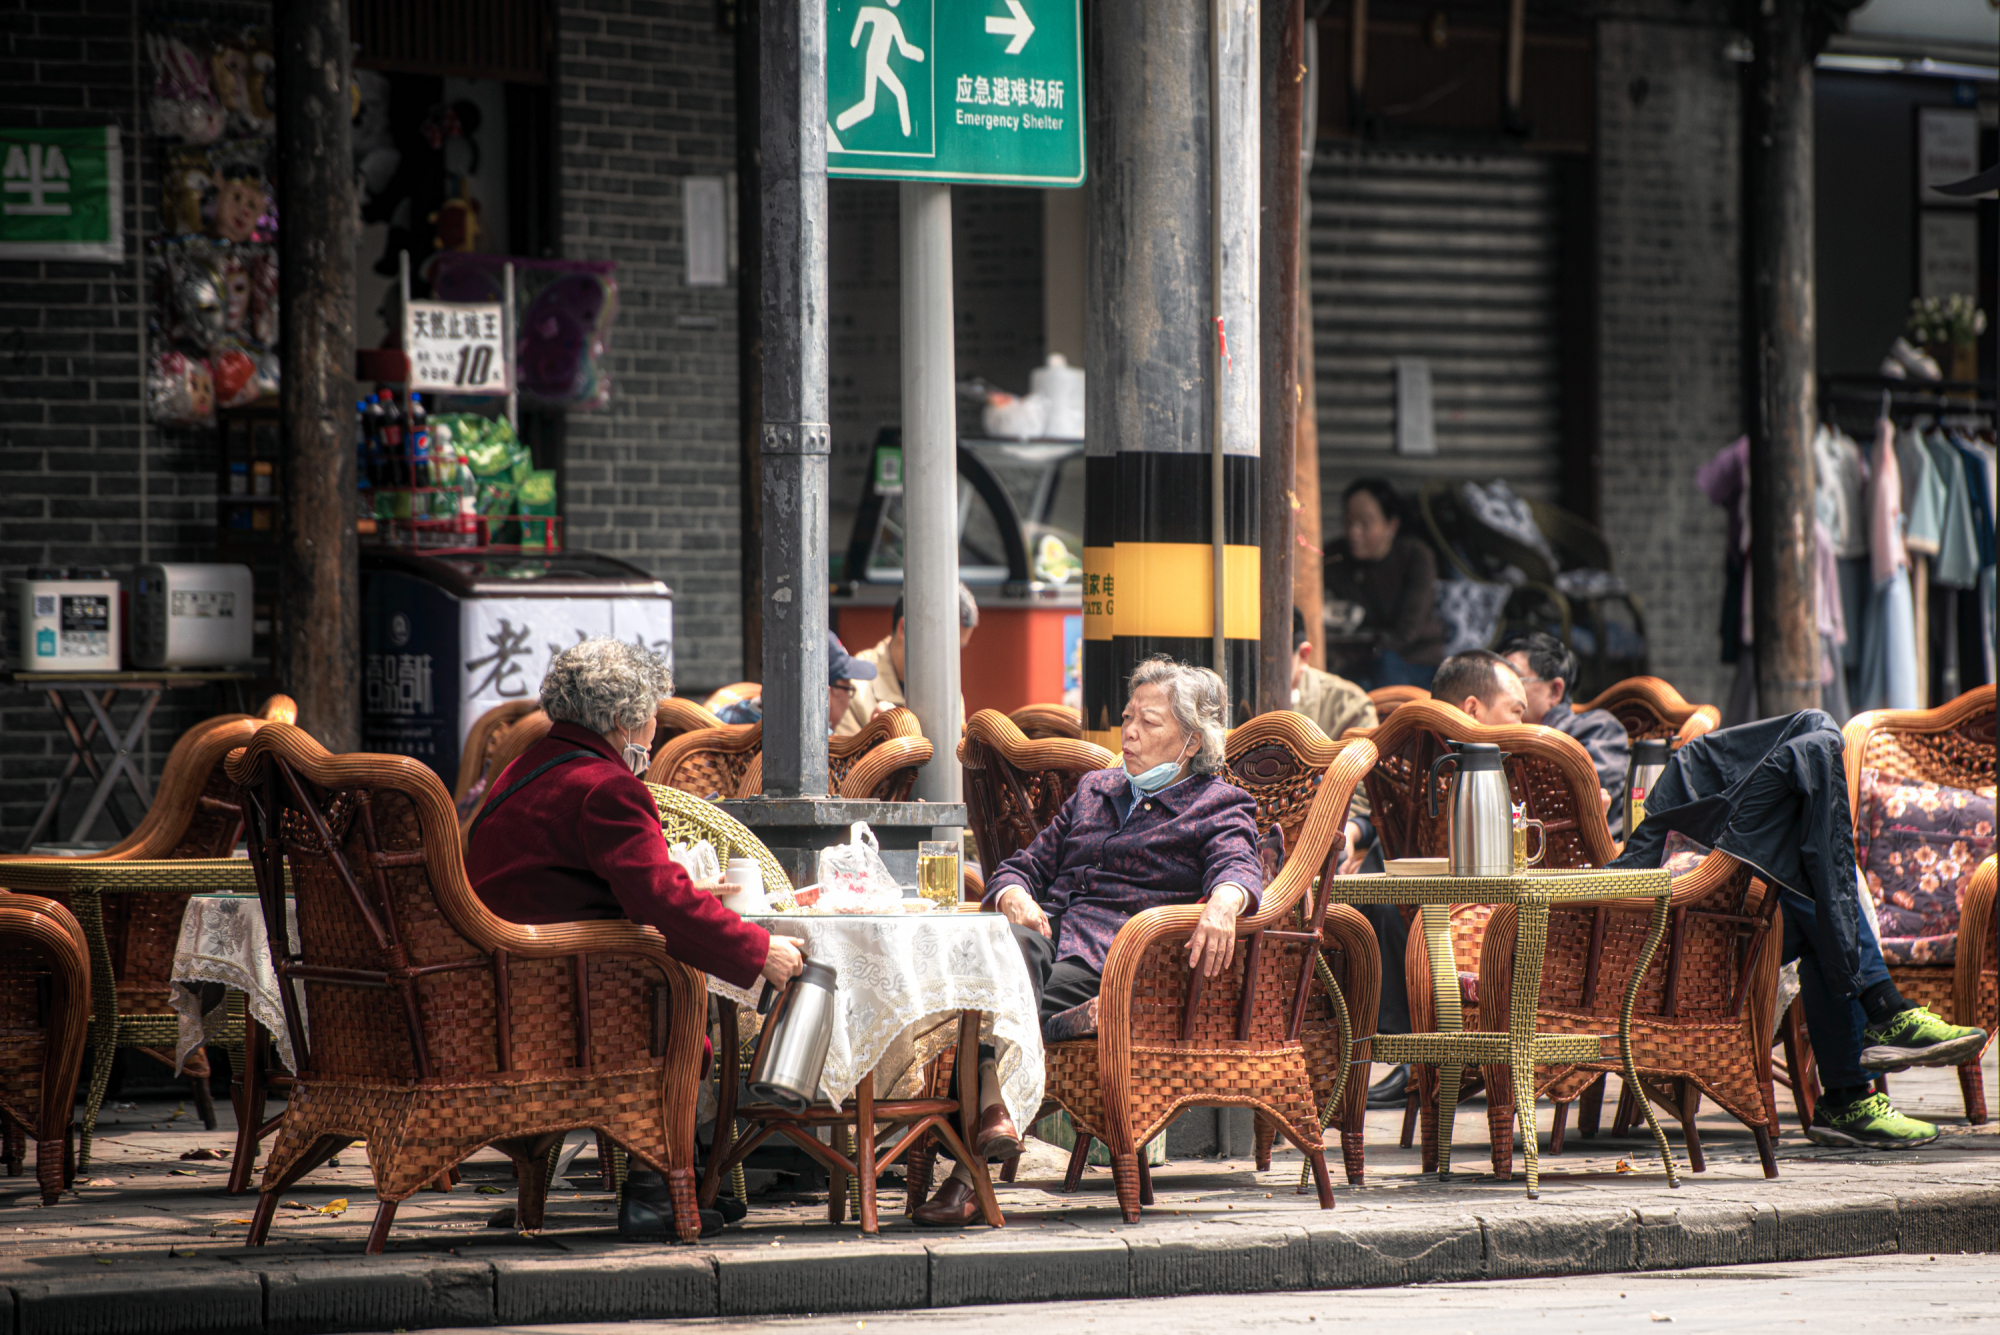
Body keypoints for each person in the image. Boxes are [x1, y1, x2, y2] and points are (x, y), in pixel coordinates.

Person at [464, 638, 808, 1239]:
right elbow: (663, 900)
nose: (654, 728)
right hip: (571, 1002)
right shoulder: (607, 788)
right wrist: (758, 952)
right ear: (624, 719)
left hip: (500, 991)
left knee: (670, 987)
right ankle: (655, 1189)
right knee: (677, 1004)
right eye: (651, 713)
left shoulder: (523, 769)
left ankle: (695, 1180)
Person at [909, 656, 1264, 1227]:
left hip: (1113, 962)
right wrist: (1014, 897)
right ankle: (992, 1109)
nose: (1129, 731)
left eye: (1149, 722)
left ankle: (963, 1173)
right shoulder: (1094, 790)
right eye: (1127, 717)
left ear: (1191, 739)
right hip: (1045, 943)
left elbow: (1240, 867)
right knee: (1006, 949)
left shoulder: (1216, 804)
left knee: (983, 1003)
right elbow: (1021, 866)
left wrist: (1226, 902)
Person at [1612, 710, 1987, 1149]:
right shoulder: (1542, 757)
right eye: (1514, 710)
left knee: (1811, 740)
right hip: (1640, 927)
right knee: (1810, 868)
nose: (1515, 722)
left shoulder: (1582, 739)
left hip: (1690, 900)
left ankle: (1860, 1073)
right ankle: (1863, 1063)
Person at [1362, 648, 1531, 1108]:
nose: (1522, 723)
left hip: (1430, 908)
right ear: (1473, 710)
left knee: (1377, 880)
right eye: (1516, 711)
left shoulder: (1400, 757)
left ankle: (1403, 1055)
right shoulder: (1518, 769)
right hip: (1489, 917)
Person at [1497, 629, 1629, 835]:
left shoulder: (1598, 729)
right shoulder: (1499, 736)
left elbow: (1575, 803)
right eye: (1499, 683)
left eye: (1515, 680)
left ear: (1555, 691)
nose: (1502, 692)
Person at [1322, 478, 1446, 689]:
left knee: (1382, 669)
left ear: (1391, 525)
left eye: (1365, 523)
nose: (1354, 532)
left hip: (1414, 662)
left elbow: (1406, 633)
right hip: (1360, 661)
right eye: (1349, 522)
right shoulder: (1335, 557)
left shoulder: (1415, 556)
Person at [835, 582, 979, 737]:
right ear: (905, 628)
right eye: (943, 648)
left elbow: (955, 758)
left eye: (958, 650)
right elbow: (844, 760)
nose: (950, 661)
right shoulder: (854, 685)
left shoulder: (948, 691)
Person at [714, 631, 881, 735]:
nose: (848, 701)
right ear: (823, 693)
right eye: (848, 689)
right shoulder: (819, 751)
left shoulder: (719, 720)